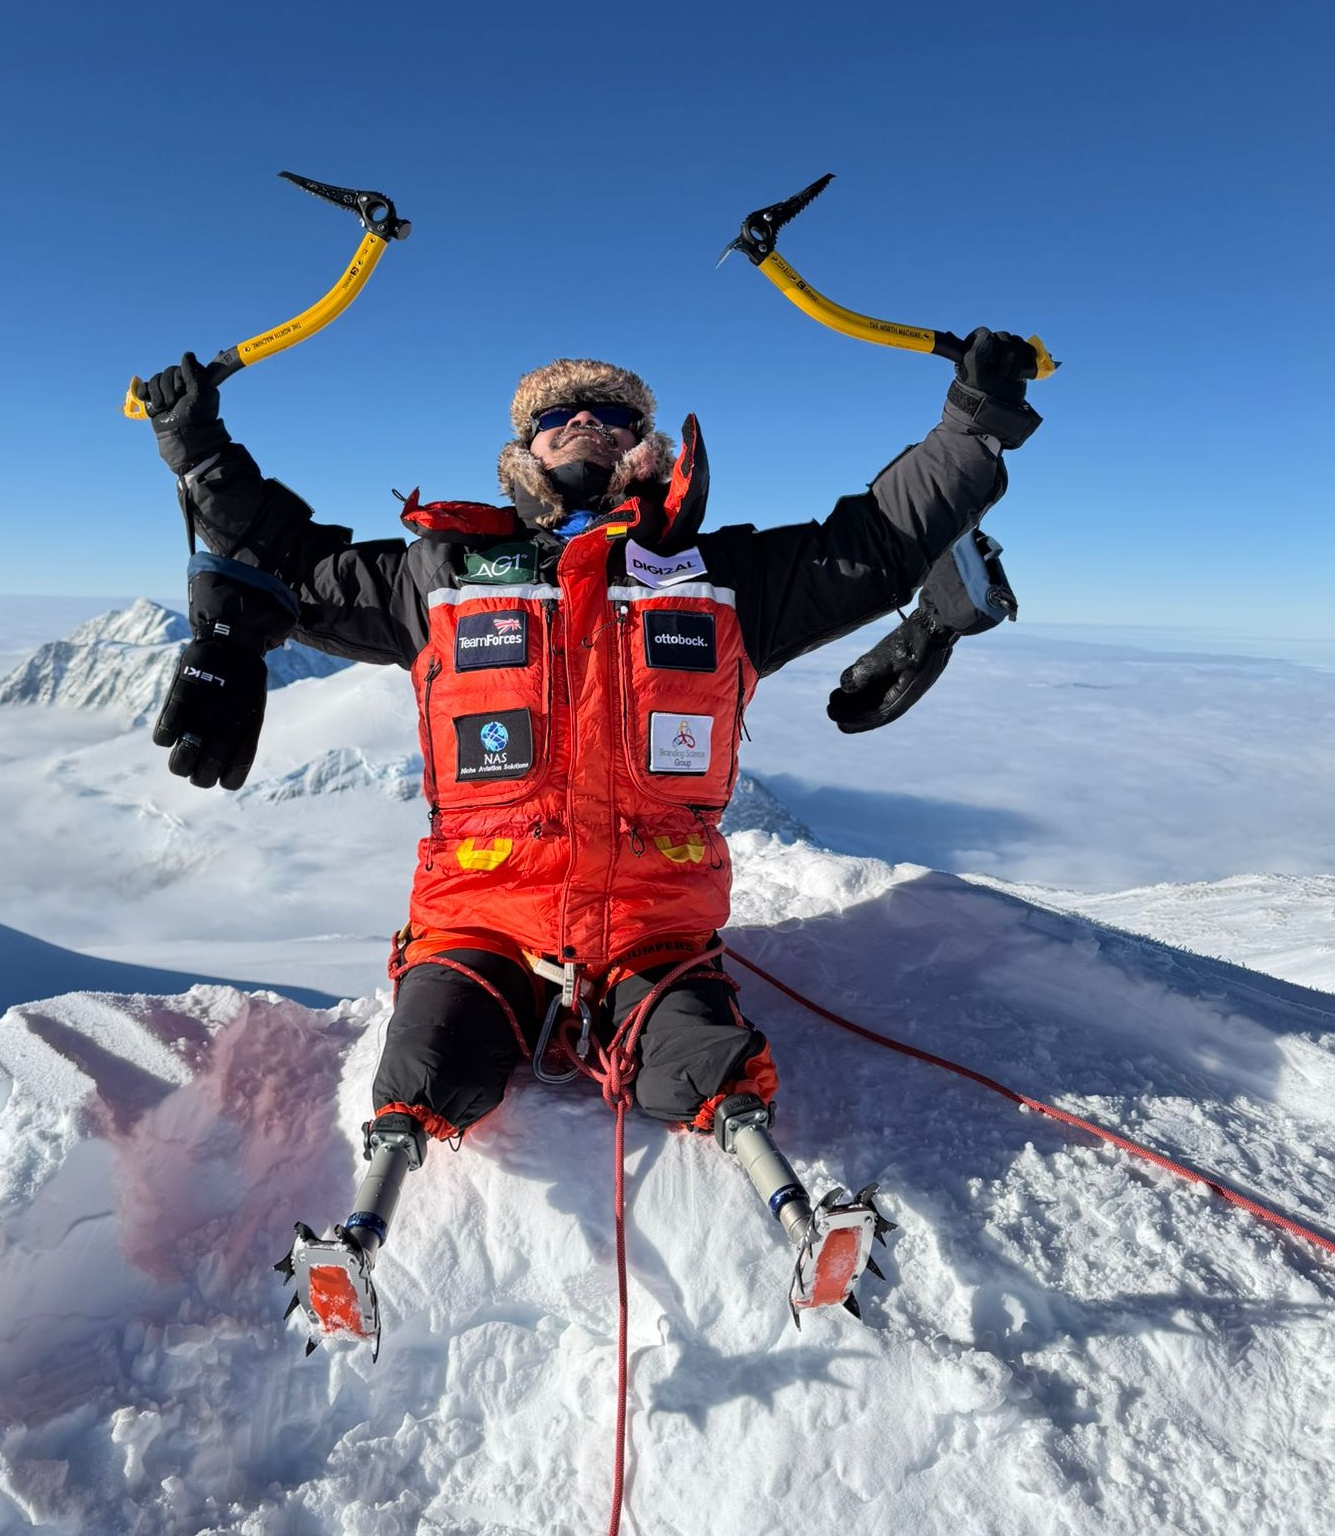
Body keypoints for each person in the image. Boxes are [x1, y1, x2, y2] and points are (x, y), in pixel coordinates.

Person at [138, 337, 1039, 1341]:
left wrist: (972, 428)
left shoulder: (726, 578)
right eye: (558, 414)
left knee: (693, 1058)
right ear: (522, 444)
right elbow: (287, 562)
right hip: (481, 914)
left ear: (643, 445)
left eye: (614, 416)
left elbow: (878, 541)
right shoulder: (438, 576)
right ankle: (356, 1237)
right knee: (438, 1057)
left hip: (653, 919)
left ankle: (800, 1224)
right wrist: (201, 450)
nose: (585, 425)